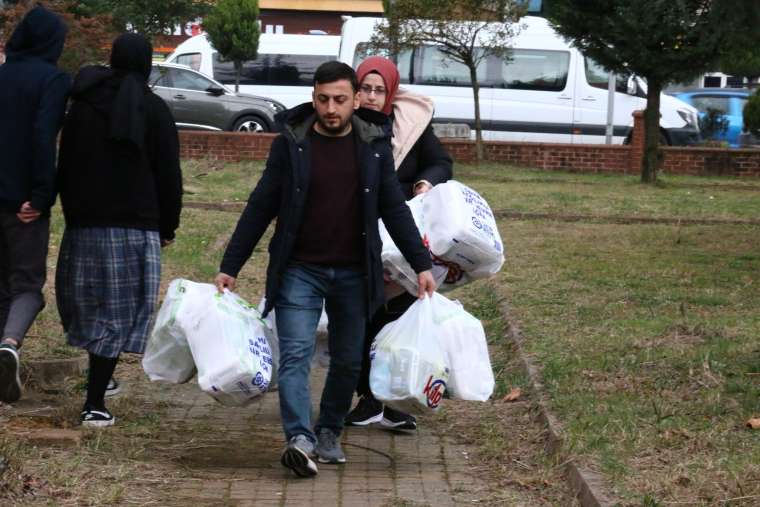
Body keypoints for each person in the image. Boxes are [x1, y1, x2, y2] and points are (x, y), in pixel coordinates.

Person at [214, 61, 436, 477]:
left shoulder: (373, 145)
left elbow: (392, 208)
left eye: (339, 100)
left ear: (355, 99)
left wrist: (421, 264)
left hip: (355, 271)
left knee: (349, 360)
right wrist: (232, 264)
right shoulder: (291, 144)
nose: (330, 108)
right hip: (299, 268)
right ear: (312, 97)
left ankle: (329, 430)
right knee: (295, 354)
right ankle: (299, 438)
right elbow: (261, 205)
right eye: (322, 99)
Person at [55, 33, 183, 427]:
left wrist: (73, 215)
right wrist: (167, 225)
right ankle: (94, 402)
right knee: (118, 312)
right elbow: (168, 176)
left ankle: (102, 380)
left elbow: (66, 167)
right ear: (146, 64)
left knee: (92, 307)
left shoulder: (82, 106)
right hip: (134, 228)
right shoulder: (154, 109)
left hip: (85, 227)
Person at [345, 56, 453, 431]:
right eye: (366, 89)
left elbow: (441, 162)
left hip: (403, 241)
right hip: (357, 236)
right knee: (362, 316)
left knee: (394, 318)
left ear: (390, 93)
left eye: (380, 90)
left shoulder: (411, 126)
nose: (372, 97)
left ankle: (384, 398)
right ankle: (365, 395)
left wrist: (426, 182)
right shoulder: (345, 124)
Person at [0, 5, 71, 404]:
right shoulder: (52, 79)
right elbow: (44, 136)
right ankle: (9, 344)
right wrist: (43, 195)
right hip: (22, 202)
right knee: (27, 285)